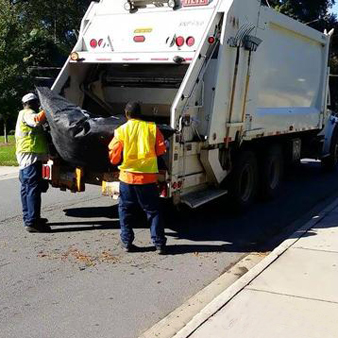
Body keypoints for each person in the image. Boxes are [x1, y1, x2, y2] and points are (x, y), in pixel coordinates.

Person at [108, 102, 167, 254]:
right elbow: (161, 150)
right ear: (141, 113)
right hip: (147, 179)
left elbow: (113, 158)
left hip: (127, 178)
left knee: (125, 209)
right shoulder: (152, 128)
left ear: (126, 114)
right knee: (153, 211)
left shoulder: (121, 131)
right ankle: (159, 244)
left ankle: (127, 242)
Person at [15, 93, 50, 233]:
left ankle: (29, 218)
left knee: (26, 189)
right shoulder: (28, 113)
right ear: (31, 103)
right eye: (36, 103)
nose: (38, 105)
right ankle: (33, 222)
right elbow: (36, 120)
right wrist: (48, 108)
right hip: (31, 157)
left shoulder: (22, 113)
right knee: (32, 189)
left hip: (27, 156)